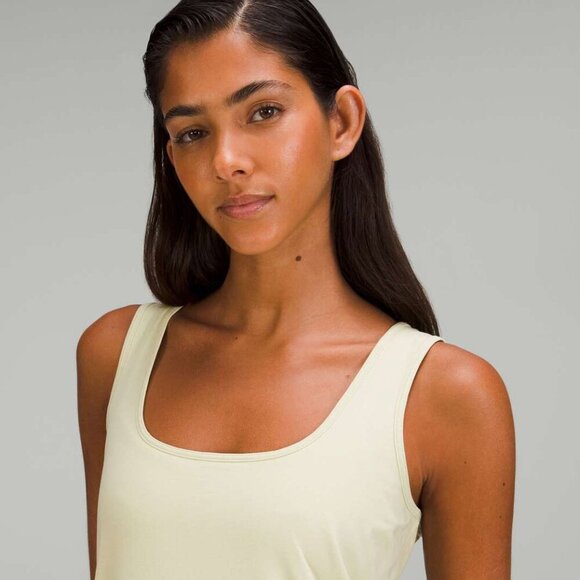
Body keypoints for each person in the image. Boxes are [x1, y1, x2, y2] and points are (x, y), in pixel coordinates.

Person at [76, 1, 516, 578]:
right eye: (192, 132)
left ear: (342, 122)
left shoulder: (446, 396)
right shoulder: (117, 356)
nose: (226, 161)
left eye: (263, 112)